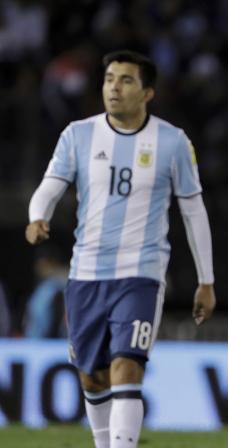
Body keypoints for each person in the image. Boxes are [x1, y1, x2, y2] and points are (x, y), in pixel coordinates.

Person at [25, 50, 216, 448]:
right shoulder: (78, 134)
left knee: (127, 366)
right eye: (110, 78)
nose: (114, 86)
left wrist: (206, 280)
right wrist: (37, 216)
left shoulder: (172, 141)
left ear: (147, 92)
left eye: (126, 80)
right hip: (86, 274)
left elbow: (193, 209)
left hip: (141, 273)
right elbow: (49, 185)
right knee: (92, 376)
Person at [24, 246, 69, 338]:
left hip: (52, 339)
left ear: (53, 262)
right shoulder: (44, 285)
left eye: (44, 263)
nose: (40, 267)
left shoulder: (51, 286)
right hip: (41, 341)